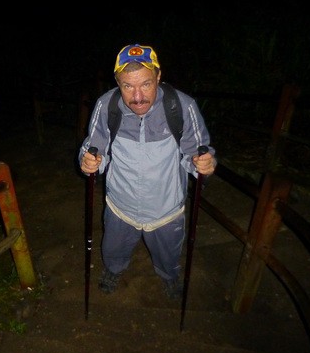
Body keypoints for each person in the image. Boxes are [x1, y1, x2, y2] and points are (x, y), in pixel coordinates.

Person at [78, 44, 217, 300]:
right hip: (121, 205)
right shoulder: (106, 105)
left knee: (169, 253)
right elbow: (93, 148)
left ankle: (169, 274)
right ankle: (113, 269)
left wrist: (204, 164)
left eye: (146, 84)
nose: (138, 96)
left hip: (166, 209)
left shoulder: (181, 106)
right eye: (128, 86)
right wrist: (88, 162)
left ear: (158, 76)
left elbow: (197, 152)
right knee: (113, 248)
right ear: (117, 82)